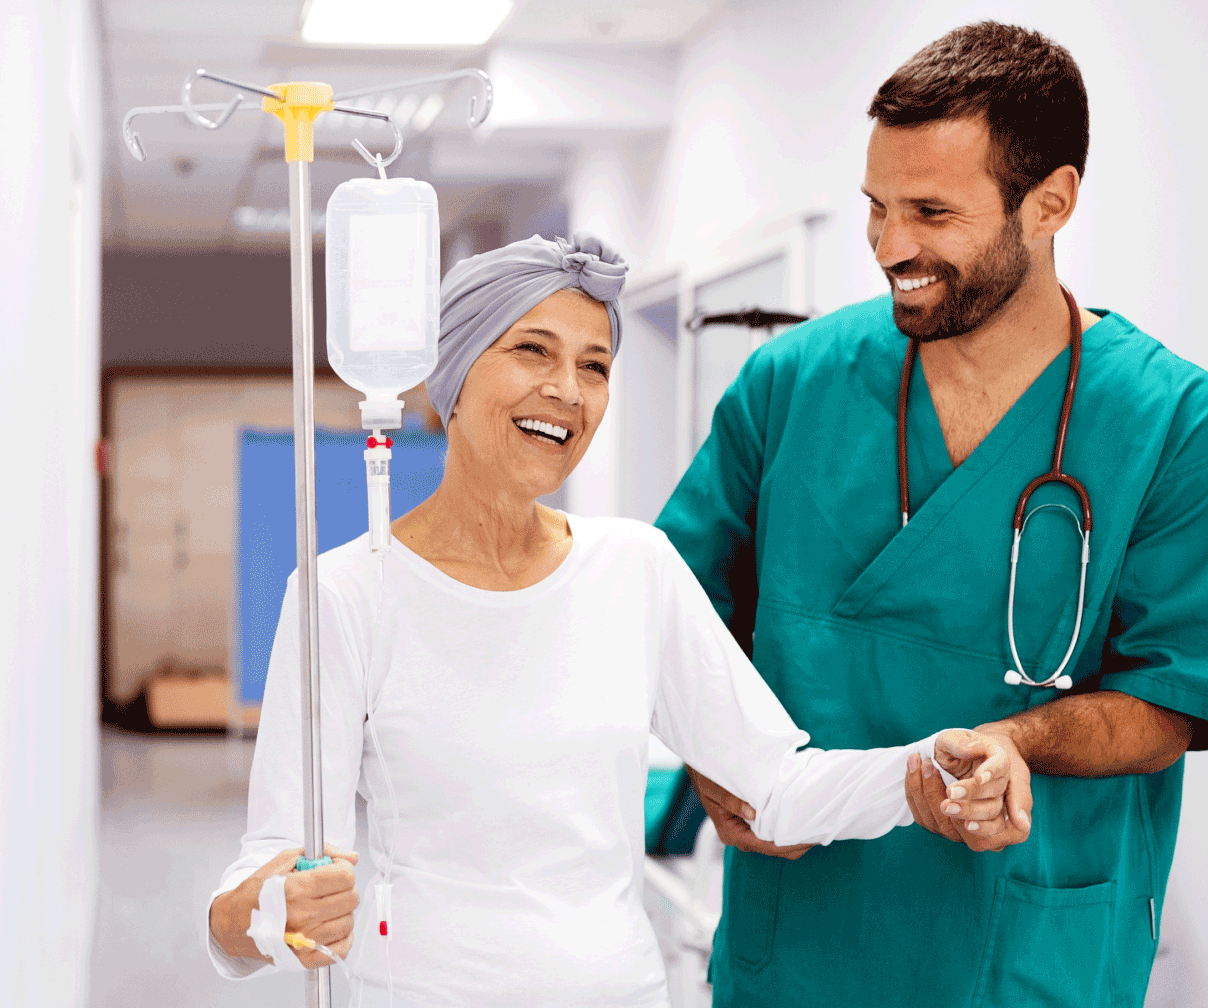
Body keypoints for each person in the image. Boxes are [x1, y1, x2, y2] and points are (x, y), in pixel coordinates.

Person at [204, 233, 1027, 1007]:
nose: (566, 389)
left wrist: (928, 770)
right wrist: (274, 910)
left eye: (594, 366)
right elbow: (255, 889)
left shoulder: (636, 568)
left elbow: (774, 787)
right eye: (531, 349)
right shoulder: (345, 593)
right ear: (449, 372)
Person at [656, 21, 1208, 1008]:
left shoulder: (1174, 424)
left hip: (1021, 951)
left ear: (1051, 201)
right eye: (876, 208)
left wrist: (1020, 742)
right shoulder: (791, 385)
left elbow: (1175, 697)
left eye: (931, 211)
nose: (893, 247)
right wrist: (716, 763)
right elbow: (667, 608)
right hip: (800, 943)